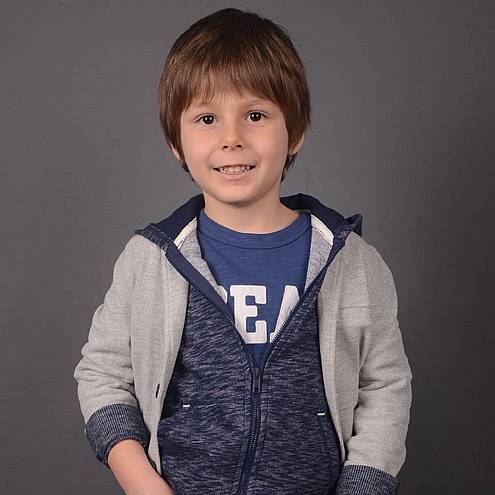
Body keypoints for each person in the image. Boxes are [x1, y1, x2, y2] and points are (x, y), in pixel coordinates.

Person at [73, 7, 413, 495]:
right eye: (207, 118)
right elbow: (103, 373)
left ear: (295, 131)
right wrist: (142, 482)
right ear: (176, 141)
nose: (231, 138)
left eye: (255, 115)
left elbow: (385, 387)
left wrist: (363, 487)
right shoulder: (150, 259)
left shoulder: (351, 261)